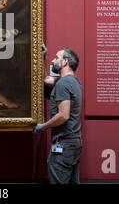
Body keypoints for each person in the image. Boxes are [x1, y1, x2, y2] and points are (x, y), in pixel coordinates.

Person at [34, 47, 82, 184]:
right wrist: (42, 58)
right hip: (73, 143)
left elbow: (63, 115)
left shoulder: (63, 84)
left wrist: (42, 126)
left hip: (64, 144)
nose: (53, 61)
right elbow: (43, 80)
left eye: (56, 58)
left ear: (65, 61)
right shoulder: (73, 81)